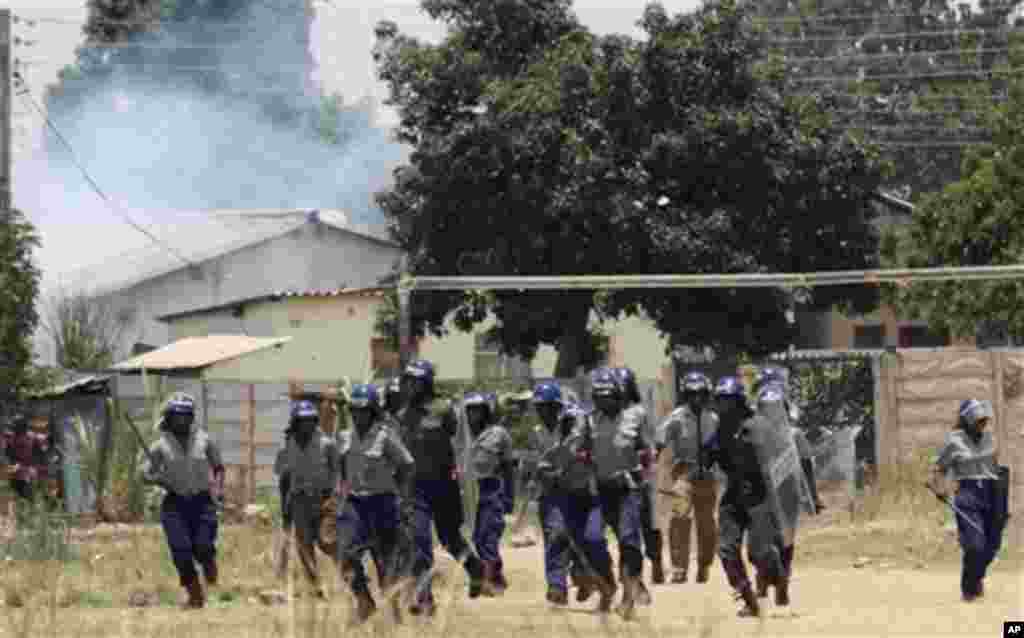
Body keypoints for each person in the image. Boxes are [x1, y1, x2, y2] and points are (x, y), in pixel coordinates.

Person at [395, 359, 485, 616]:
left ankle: (475, 569)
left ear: (426, 383)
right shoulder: (403, 415)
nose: (410, 386)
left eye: (416, 382)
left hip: (444, 485)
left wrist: (463, 476)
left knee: (450, 539)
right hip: (415, 489)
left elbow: (461, 444)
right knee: (419, 540)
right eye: (407, 381)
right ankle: (424, 597)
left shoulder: (444, 409)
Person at [530, 381, 617, 611]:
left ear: (559, 408)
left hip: (589, 493)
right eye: (540, 408)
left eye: (549, 407)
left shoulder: (578, 426)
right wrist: (543, 474)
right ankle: (557, 587)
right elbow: (540, 464)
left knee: (592, 539)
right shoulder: (538, 434)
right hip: (559, 494)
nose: (544, 413)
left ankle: (604, 582)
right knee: (556, 535)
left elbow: (588, 445)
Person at [705, 377, 786, 618]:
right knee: (727, 550)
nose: (722, 407)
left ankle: (776, 573)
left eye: (728, 401)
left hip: (760, 494)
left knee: (757, 553)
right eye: (719, 402)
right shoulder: (720, 429)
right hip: (734, 495)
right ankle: (750, 602)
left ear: (739, 402)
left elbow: (775, 463)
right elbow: (708, 457)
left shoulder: (757, 427)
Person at [337, 383, 415, 623]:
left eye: (364, 410)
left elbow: (406, 465)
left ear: (372, 411)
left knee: (385, 562)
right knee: (346, 556)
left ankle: (394, 615)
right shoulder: (345, 437)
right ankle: (364, 601)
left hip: (382, 503)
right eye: (355, 411)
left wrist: (401, 496)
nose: (359, 415)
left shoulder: (384, 435)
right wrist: (342, 488)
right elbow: (341, 464)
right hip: (355, 504)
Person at [140, 393, 226, 609]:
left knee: (203, 546)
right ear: (168, 418)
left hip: (203, 502)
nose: (182, 421)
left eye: (186, 416)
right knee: (181, 551)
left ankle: (209, 563)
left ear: (191, 417)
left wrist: (218, 488)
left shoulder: (204, 440)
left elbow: (218, 467)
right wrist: (157, 478)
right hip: (175, 504)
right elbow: (144, 474)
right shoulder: (159, 446)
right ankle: (194, 594)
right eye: (177, 416)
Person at [588, 367, 655, 619]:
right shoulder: (590, 420)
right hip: (599, 489)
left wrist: (641, 473)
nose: (604, 401)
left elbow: (648, 452)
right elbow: (582, 449)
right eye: (599, 396)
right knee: (592, 538)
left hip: (628, 490)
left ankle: (628, 598)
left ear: (618, 395)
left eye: (608, 396)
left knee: (629, 541)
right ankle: (608, 584)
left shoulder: (635, 417)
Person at [929, 399, 1009, 602]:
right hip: (967, 494)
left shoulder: (990, 439)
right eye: (978, 420)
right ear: (967, 421)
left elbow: (997, 469)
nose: (983, 424)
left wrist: (1002, 503)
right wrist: (939, 487)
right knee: (974, 545)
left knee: (992, 545)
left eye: (984, 420)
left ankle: (977, 577)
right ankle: (969, 587)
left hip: (991, 493)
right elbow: (939, 468)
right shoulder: (954, 441)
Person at [750, 366, 814, 603]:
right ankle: (766, 583)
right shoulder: (755, 426)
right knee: (766, 538)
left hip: (787, 487)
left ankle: (780, 582)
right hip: (765, 488)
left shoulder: (793, 431)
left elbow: (805, 462)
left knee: (783, 538)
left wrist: (811, 495)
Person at [656, 370, 720, 585]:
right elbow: (660, 439)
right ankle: (679, 569)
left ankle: (704, 566)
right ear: (685, 395)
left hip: (708, 477)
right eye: (692, 394)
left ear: (706, 394)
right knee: (680, 520)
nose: (697, 398)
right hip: (683, 475)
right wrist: (653, 460)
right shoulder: (677, 417)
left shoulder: (713, 419)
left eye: (701, 394)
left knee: (707, 525)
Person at [273, 399, 341, 595]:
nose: (307, 425)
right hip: (299, 501)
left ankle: (351, 575)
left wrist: (335, 498)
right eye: (302, 421)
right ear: (295, 422)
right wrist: (285, 507)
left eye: (311, 420)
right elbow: (284, 477)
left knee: (328, 542)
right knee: (304, 546)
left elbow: (338, 472)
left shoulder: (327, 444)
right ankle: (314, 586)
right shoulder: (288, 446)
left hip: (323, 500)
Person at [613, 367, 664, 591]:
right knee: (627, 532)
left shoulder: (638, 412)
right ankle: (631, 578)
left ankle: (656, 561)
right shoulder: (607, 415)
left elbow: (647, 445)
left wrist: (643, 461)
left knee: (650, 526)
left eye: (624, 387)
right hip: (618, 481)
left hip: (642, 477)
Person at [464, 391, 516, 596]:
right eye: (469, 411)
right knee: (478, 538)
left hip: (492, 489)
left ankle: (487, 581)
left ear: (486, 411)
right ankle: (496, 576)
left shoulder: (499, 434)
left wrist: (509, 497)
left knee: (489, 536)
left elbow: (508, 469)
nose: (472, 415)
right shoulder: (462, 435)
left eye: (477, 410)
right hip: (470, 492)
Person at [1, 413, 51, 504]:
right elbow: (8, 456)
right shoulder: (11, 439)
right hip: (18, 473)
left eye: (17, 426)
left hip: (32, 472)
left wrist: (38, 468)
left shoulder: (33, 438)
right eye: (15, 426)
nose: (15, 429)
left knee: (34, 497)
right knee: (20, 498)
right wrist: (13, 465)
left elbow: (42, 455)